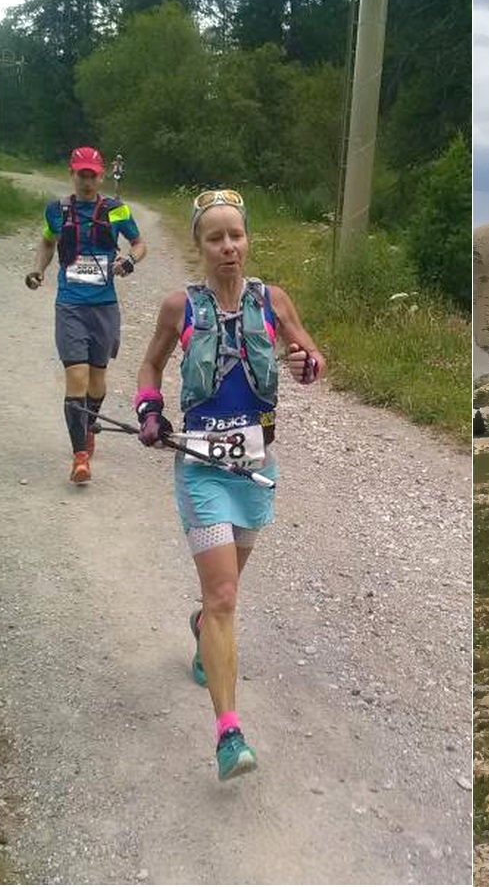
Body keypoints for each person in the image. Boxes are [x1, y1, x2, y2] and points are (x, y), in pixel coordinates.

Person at [131, 188, 327, 781]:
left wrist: (307, 365)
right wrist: (148, 410)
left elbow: (312, 356)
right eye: (215, 237)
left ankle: (201, 632)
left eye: (235, 235)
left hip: (256, 470)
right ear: (199, 245)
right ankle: (228, 734)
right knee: (224, 597)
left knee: (223, 593)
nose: (227, 247)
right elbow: (149, 366)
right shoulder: (178, 307)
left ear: (247, 239)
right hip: (200, 468)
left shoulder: (274, 300)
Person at [26, 146, 147, 485]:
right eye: (81, 173)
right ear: (72, 173)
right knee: (76, 378)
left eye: (92, 174)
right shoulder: (56, 211)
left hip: (104, 305)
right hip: (70, 305)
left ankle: (89, 425)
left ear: (101, 175)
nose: (87, 180)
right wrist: (39, 270)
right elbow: (48, 243)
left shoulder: (117, 210)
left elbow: (139, 244)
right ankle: (80, 456)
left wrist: (129, 262)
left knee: (97, 380)